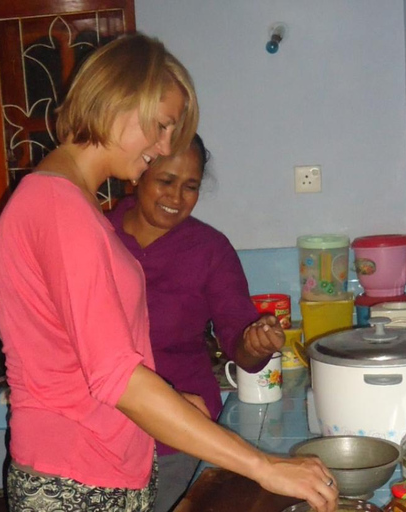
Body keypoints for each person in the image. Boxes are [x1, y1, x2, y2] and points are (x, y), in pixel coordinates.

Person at [0, 33, 338, 512]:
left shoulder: (74, 205)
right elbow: (119, 379)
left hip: (102, 468)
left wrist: (173, 407)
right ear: (116, 100)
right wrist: (263, 465)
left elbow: (89, 366)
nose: (165, 144)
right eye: (161, 125)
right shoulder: (58, 207)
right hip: (76, 482)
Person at [107, 134, 285, 511]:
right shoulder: (99, 236)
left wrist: (253, 345)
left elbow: (240, 340)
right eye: (166, 182)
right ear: (139, 173)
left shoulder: (209, 249)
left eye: (190, 187)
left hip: (180, 441)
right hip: (104, 438)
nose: (176, 198)